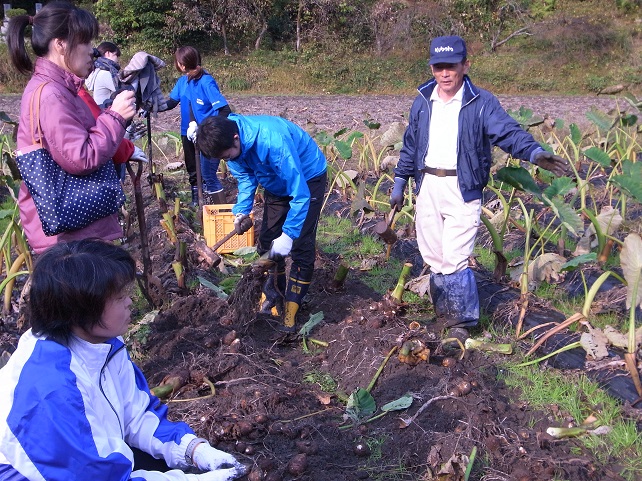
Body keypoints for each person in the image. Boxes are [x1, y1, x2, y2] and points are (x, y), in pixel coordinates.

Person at [0, 239, 246, 481]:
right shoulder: (51, 386)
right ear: (81, 310)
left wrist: (194, 450)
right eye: (119, 297)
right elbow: (94, 475)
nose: (130, 302)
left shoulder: (102, 346)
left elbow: (136, 414)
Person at [389, 35, 568, 335]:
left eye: (451, 66)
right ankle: (444, 314)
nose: (444, 73)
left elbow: (509, 133)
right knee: (434, 256)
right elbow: (410, 146)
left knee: (456, 257)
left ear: (465, 65)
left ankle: (462, 324)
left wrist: (534, 152)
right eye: (438, 67)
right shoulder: (422, 101)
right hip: (428, 185)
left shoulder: (481, 102)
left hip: (462, 186)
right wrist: (398, 181)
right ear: (432, 68)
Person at [6, 2, 137, 254]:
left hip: (75, 236)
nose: (92, 51)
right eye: (85, 42)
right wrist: (116, 117)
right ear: (61, 44)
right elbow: (79, 157)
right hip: (70, 242)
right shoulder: (51, 94)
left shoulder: (58, 88)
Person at [197, 114, 327, 333]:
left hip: (307, 177)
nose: (228, 160)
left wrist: (289, 234)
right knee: (267, 241)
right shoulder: (231, 146)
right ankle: (276, 295)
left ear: (236, 139)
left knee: (301, 245)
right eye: (224, 159)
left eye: (228, 155)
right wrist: (241, 211)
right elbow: (246, 178)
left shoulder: (272, 141)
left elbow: (300, 193)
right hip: (275, 182)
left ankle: (291, 311)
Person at [165, 46, 231, 206]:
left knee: (207, 171)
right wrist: (153, 105)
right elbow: (172, 102)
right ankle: (197, 196)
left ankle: (213, 203)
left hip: (206, 133)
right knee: (193, 166)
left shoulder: (205, 81)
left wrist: (210, 130)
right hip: (188, 131)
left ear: (181, 64)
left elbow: (224, 109)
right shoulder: (184, 81)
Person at [85, 41, 122, 108]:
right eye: (116, 55)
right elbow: (123, 90)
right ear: (108, 53)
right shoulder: (104, 74)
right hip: (106, 111)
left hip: (102, 110)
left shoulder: (97, 71)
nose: (117, 60)